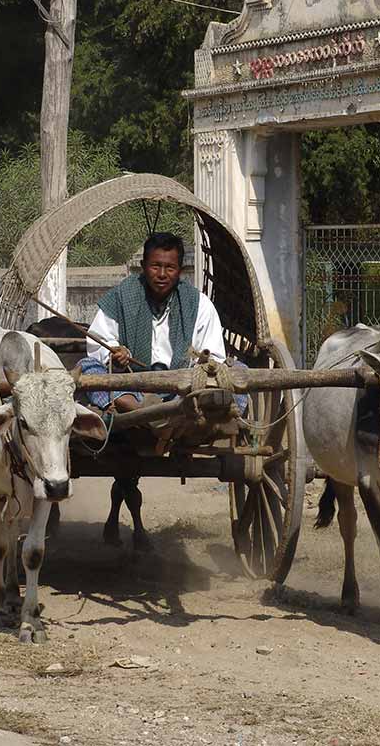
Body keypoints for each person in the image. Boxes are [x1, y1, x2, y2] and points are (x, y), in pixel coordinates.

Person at [79, 231, 231, 550]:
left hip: (181, 391)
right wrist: (113, 352)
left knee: (236, 375)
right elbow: (95, 346)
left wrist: (202, 365)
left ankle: (165, 414)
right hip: (129, 387)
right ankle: (140, 414)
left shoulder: (198, 305)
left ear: (180, 271)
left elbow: (215, 357)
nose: (162, 274)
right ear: (143, 266)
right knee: (88, 371)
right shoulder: (120, 297)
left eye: (170, 268)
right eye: (155, 266)